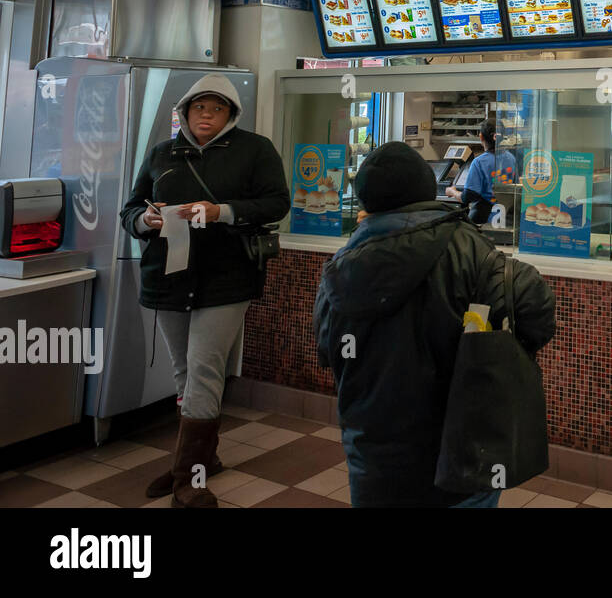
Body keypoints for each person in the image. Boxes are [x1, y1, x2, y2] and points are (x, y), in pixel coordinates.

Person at [314, 141, 556, 508]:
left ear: (365, 201)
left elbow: (327, 349)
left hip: (376, 460)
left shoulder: (343, 264)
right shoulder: (470, 249)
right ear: (428, 189)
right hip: (465, 450)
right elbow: (535, 312)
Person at [120, 73, 290, 508]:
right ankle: (200, 459)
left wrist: (223, 212)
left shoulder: (256, 150)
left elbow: (276, 203)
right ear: (185, 112)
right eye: (199, 108)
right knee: (185, 373)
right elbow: (131, 210)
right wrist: (146, 221)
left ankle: (188, 477)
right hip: (169, 276)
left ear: (231, 114)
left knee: (203, 371)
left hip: (226, 278)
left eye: (216, 109)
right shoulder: (163, 153)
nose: (206, 116)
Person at [445, 120, 515, 224]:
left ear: (481, 136)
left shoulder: (478, 162)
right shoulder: (511, 158)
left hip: (484, 219)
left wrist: (452, 191)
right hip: (506, 218)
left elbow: (467, 197)